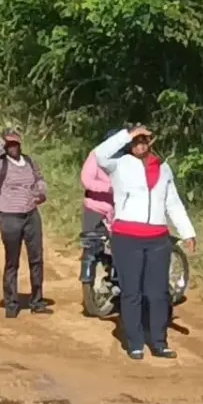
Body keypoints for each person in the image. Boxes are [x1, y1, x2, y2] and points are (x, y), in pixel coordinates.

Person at [92, 125, 196, 360]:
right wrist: (126, 133)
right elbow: (99, 154)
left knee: (158, 293)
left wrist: (187, 232)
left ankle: (159, 342)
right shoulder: (118, 164)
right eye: (136, 141)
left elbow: (173, 203)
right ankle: (135, 342)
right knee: (132, 292)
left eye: (144, 140)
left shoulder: (164, 168)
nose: (140, 144)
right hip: (126, 237)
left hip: (158, 237)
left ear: (151, 142)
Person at [0, 128, 49, 319]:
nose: (13, 147)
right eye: (9, 144)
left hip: (31, 215)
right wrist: (1, 141)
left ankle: (37, 301)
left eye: (15, 143)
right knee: (12, 262)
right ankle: (11, 304)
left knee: (36, 259)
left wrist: (40, 193)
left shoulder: (29, 161)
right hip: (10, 217)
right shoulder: (0, 164)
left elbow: (40, 179)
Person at [79, 128, 119, 312]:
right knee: (91, 247)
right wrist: (110, 187)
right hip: (95, 209)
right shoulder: (94, 156)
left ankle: (115, 283)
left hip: (117, 211)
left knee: (118, 249)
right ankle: (89, 286)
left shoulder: (124, 160)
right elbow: (86, 180)